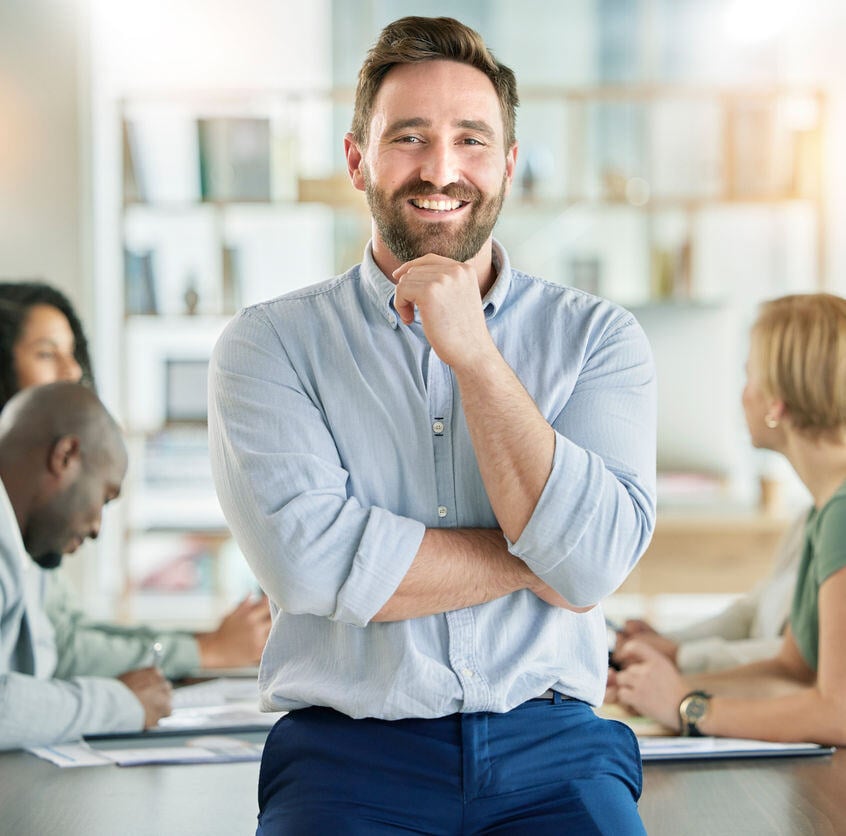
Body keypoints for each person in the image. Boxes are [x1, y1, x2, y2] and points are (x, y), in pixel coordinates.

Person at [209, 16, 656, 834]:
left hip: (554, 747)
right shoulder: (268, 345)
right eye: (408, 137)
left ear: (509, 166)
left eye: (472, 141)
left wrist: (475, 356)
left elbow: (591, 567)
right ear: (358, 160)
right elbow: (312, 566)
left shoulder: (598, 339)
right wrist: (536, 553)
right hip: (346, 760)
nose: (441, 169)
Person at [0, 281, 271, 679]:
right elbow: (62, 651)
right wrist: (201, 651)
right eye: (46, 353)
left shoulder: (34, 505)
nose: (72, 370)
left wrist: (200, 645)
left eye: (72, 355)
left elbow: (65, 631)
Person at [610, 293, 846, 746]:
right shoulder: (823, 512)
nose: (743, 396)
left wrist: (692, 708)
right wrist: (658, 687)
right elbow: (791, 671)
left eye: (750, 378)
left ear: (777, 404)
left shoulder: (842, 513)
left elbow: (836, 711)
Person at [0, 381, 172, 749]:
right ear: (65, 456)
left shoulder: (24, 549)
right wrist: (120, 704)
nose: (96, 528)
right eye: (105, 497)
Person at [614, 510, 804, 673]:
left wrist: (679, 657)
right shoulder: (807, 518)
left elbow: (800, 659)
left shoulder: (831, 526)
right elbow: (748, 613)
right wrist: (666, 641)